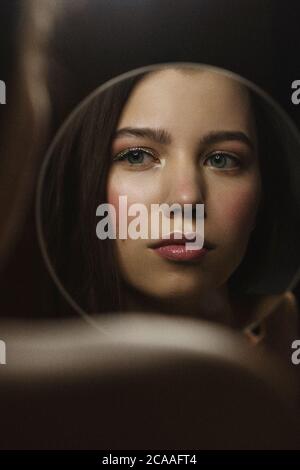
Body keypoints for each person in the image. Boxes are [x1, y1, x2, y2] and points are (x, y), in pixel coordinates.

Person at [41, 64, 300, 362]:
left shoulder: (283, 343)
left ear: (262, 195)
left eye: (222, 159)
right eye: (137, 156)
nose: (186, 198)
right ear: (88, 177)